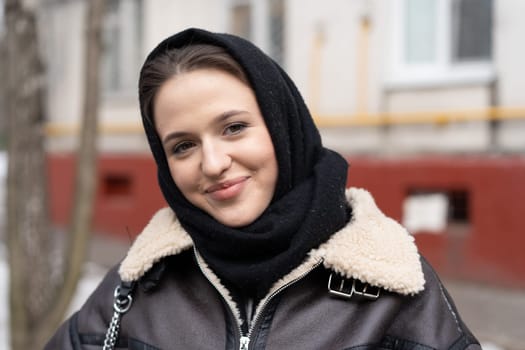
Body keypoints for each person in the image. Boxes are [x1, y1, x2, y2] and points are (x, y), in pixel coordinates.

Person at [45, 28, 481, 350]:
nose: (213, 164)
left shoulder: (394, 285)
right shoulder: (138, 286)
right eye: (182, 146)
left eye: (233, 128)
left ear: (282, 123)